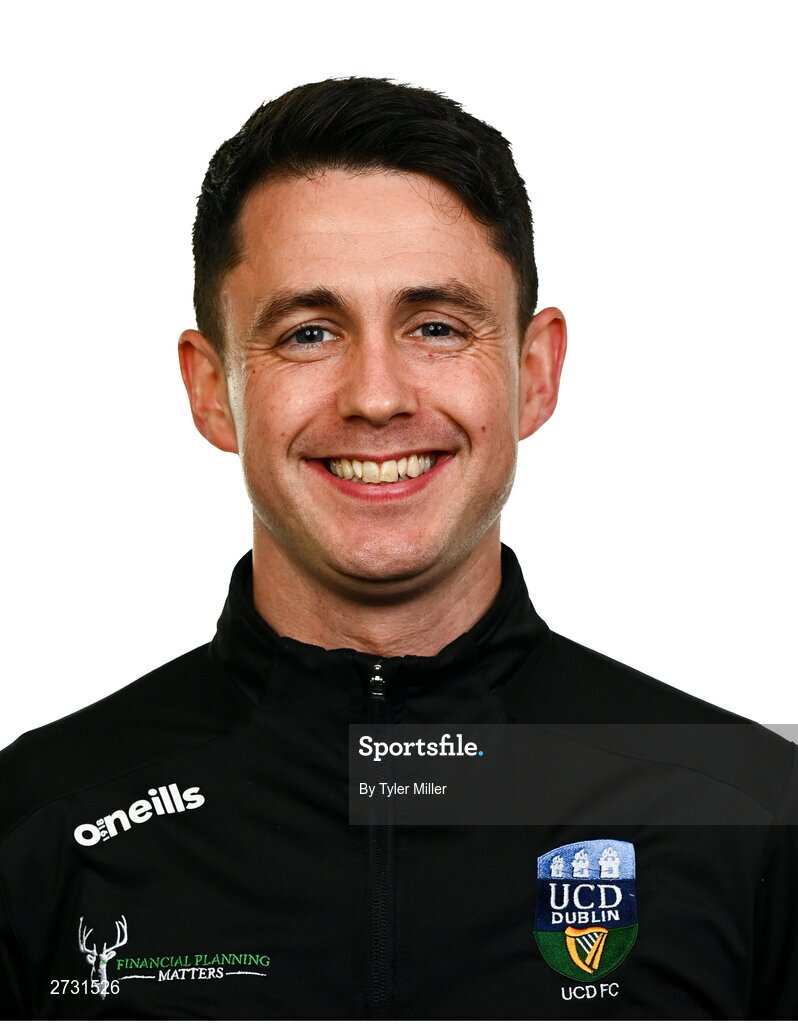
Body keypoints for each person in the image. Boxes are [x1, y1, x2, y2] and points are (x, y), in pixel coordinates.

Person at [0, 77, 795, 1021]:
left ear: (533, 374)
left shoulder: (750, 814)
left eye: (435, 327)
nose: (377, 396)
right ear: (212, 390)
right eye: (308, 332)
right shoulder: (39, 824)